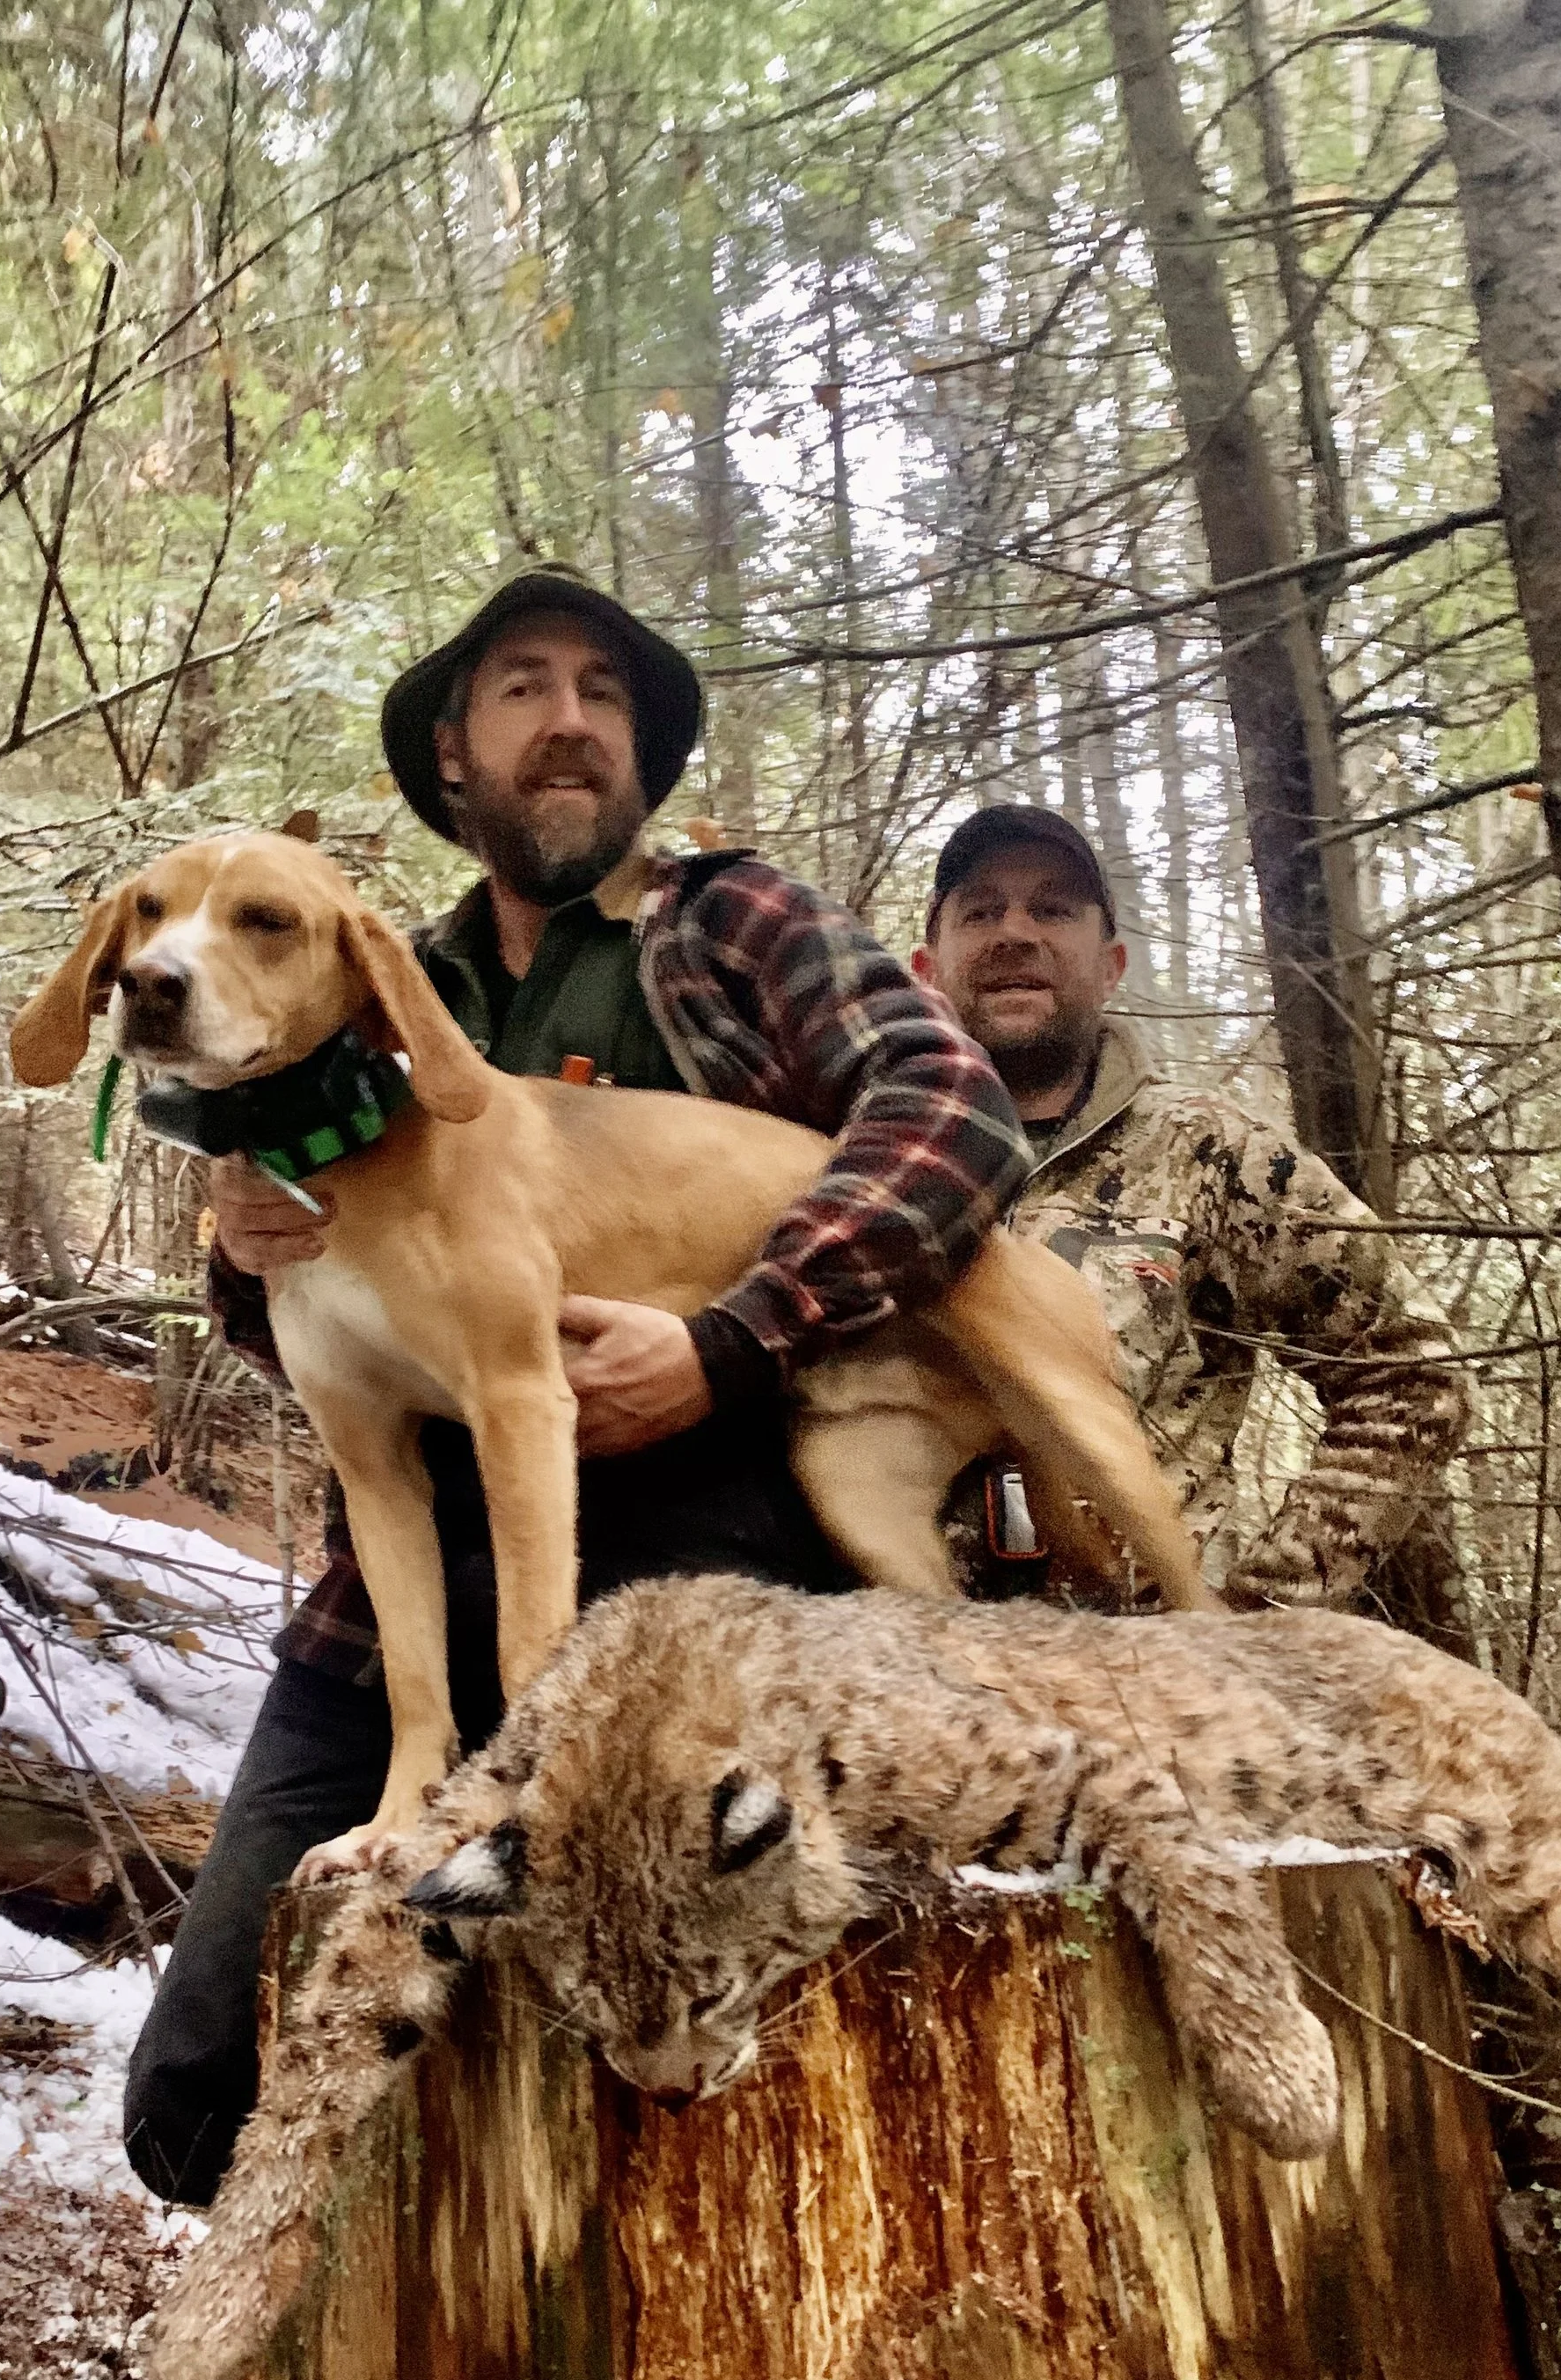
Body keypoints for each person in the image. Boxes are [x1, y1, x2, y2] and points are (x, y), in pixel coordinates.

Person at [122, 569, 1034, 2201]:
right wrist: (249, 1244)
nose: (567, 721)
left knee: (598, 2060)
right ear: (456, 753)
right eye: (523, 688)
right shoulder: (366, 975)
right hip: (404, 1580)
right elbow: (321, 1341)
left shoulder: (731, 923)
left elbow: (954, 1121)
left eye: (603, 693)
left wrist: (736, 1336)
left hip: (708, 1539)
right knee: (200, 2093)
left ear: (640, 752)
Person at [912, 804, 1468, 1610]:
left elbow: (1413, 1374)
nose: (1015, 932)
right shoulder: (856, 1159)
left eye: (1054, 908)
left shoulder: (1210, 1153)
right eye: (981, 909)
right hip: (914, 1682)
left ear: (1111, 965)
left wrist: (1267, 1611)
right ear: (928, 968)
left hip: (1152, 1686)